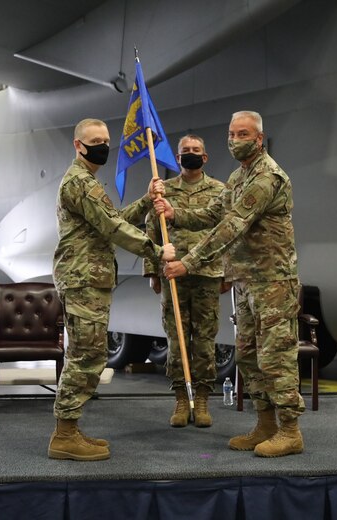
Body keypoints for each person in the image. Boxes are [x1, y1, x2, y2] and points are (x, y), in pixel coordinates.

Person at [156, 111, 305, 458]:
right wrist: (176, 213)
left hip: (272, 282)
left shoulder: (266, 177)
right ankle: (266, 425)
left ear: (259, 139)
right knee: (249, 357)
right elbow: (214, 214)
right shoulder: (239, 177)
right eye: (231, 133)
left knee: (276, 358)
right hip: (246, 282)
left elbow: (233, 224)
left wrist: (188, 262)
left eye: (243, 134)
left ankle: (290, 431)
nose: (235, 140)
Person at [49, 118, 175, 461]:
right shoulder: (79, 182)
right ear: (78, 145)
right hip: (83, 280)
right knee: (85, 356)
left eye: (106, 140)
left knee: (90, 355)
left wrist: (147, 201)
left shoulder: (87, 181)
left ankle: (71, 430)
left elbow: (111, 220)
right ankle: (63, 436)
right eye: (95, 141)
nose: (103, 146)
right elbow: (113, 227)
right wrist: (156, 250)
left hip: (91, 279)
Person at [143, 134, 227, 428]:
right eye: (185, 151)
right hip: (172, 276)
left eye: (195, 151)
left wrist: (226, 271)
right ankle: (181, 398)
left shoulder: (220, 191)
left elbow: (227, 234)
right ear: (177, 159)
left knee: (204, 339)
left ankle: (202, 398)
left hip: (207, 273)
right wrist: (152, 270)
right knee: (176, 339)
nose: (190, 154)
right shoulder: (164, 193)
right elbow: (152, 230)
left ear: (205, 158)